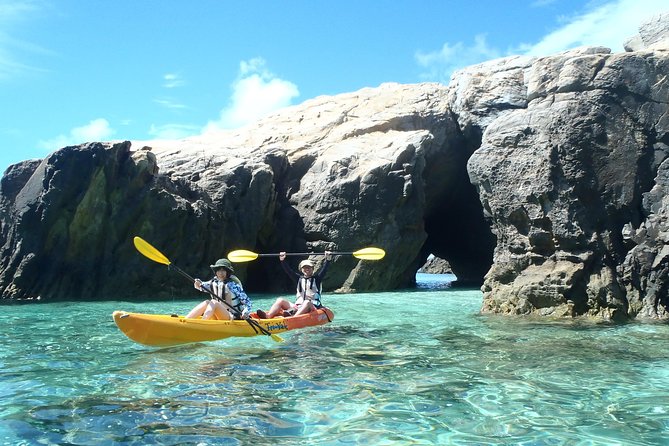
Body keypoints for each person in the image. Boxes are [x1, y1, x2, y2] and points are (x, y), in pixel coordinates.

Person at [256, 251, 332, 318]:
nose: (307, 269)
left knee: (307, 302)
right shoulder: (298, 279)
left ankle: (293, 318)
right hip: (298, 306)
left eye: (309, 267)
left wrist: (328, 260)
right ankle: (268, 316)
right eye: (305, 268)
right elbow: (288, 271)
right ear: (301, 269)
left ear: (312, 269)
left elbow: (324, 270)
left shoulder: (317, 279)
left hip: (313, 307)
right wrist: (282, 260)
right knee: (280, 300)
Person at [186, 258, 251, 320]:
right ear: (216, 272)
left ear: (227, 272)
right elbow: (201, 286)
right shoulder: (214, 282)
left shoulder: (233, 285)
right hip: (219, 315)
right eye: (218, 270)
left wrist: (245, 312)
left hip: (232, 316)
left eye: (223, 270)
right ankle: (186, 320)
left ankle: (203, 323)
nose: (220, 273)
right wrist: (198, 282)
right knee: (207, 302)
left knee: (214, 302)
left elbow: (248, 302)